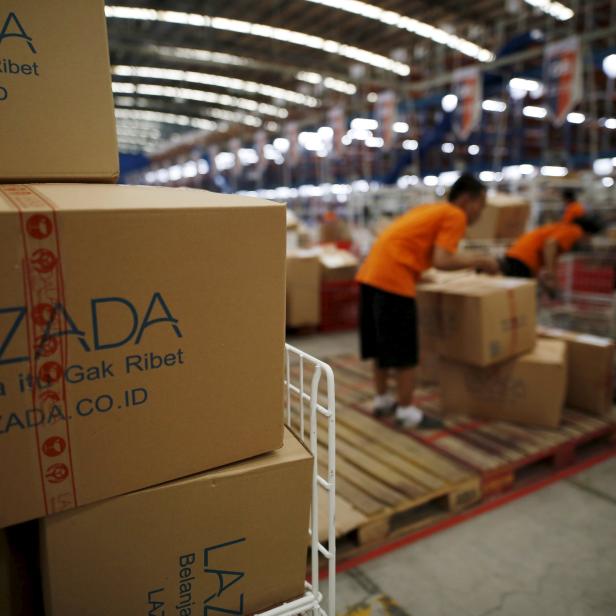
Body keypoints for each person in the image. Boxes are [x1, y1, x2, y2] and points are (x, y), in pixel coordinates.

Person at [356, 174, 500, 429]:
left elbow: (408, 245)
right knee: (404, 351)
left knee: (382, 346)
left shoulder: (429, 209)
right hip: (393, 280)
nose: (482, 211)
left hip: (371, 275)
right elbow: (442, 260)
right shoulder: (455, 215)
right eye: (482, 204)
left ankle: (382, 400)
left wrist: (418, 275)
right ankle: (406, 411)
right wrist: (482, 260)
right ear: (467, 200)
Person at [500, 215, 603, 290]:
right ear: (588, 233)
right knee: (520, 296)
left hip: (516, 255)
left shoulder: (563, 227)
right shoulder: (575, 231)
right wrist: (551, 274)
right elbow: (550, 244)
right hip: (523, 259)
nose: (589, 242)